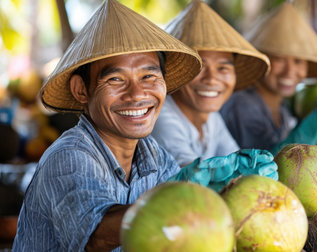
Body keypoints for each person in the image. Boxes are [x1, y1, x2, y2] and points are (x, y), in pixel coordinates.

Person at [12, 1, 276, 251]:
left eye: (149, 76)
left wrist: (229, 189)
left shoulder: (152, 153)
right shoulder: (69, 156)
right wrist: (177, 194)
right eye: (115, 79)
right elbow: (97, 236)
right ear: (81, 90)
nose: (137, 94)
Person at [221, 2, 317, 153]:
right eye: (279, 59)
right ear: (260, 62)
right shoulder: (242, 105)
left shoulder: (283, 108)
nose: (290, 71)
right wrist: (313, 126)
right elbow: (263, 166)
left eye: (298, 61)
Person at [151, 0, 270, 166]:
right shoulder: (160, 116)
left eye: (223, 69)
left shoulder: (212, 119)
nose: (212, 79)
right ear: (175, 72)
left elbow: (235, 159)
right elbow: (189, 171)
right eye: (199, 67)